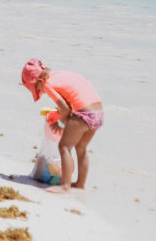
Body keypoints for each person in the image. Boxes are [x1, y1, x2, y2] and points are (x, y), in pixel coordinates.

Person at [20, 59, 103, 192]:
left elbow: (64, 108)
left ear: (38, 81)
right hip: (98, 112)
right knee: (81, 148)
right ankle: (80, 184)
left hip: (84, 114)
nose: (42, 92)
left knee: (64, 146)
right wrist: (64, 118)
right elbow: (71, 101)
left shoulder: (46, 83)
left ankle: (65, 186)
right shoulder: (61, 74)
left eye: (38, 89)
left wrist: (63, 121)